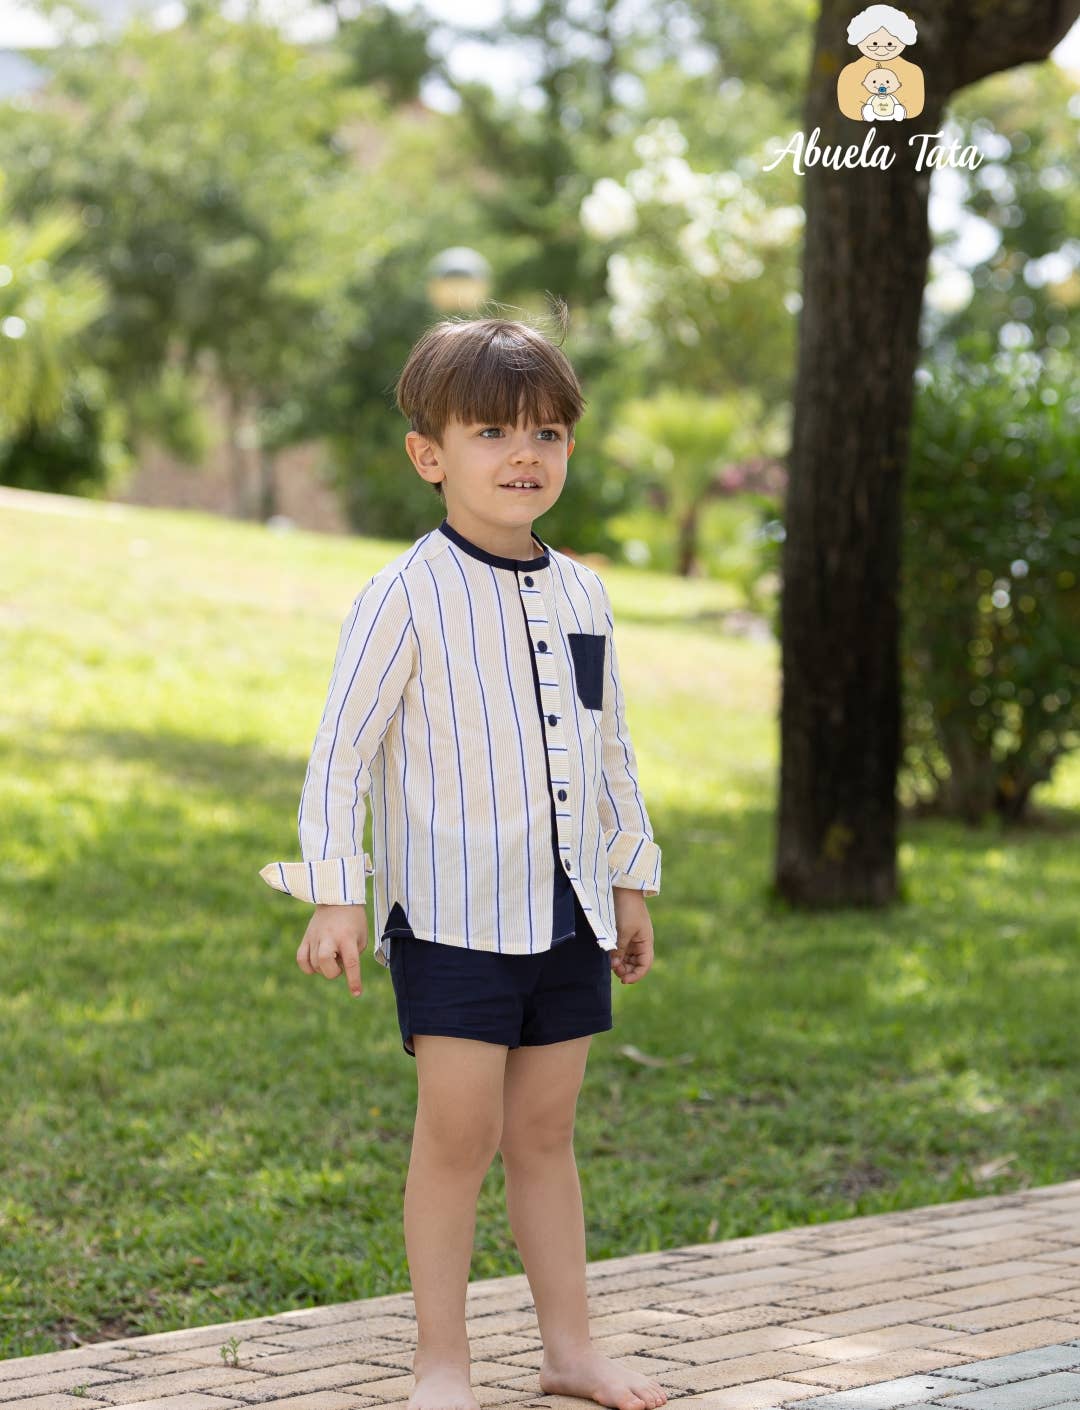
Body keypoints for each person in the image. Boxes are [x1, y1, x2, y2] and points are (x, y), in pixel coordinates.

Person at [259, 304, 667, 1410]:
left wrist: (629, 881)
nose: (524, 453)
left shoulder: (583, 594)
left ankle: (570, 1350)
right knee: (459, 1136)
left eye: (546, 433)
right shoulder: (402, 596)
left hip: (569, 912)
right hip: (451, 919)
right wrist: (335, 895)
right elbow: (341, 755)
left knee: (545, 1133)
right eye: (491, 432)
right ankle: (441, 1362)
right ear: (428, 455)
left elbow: (609, 746)